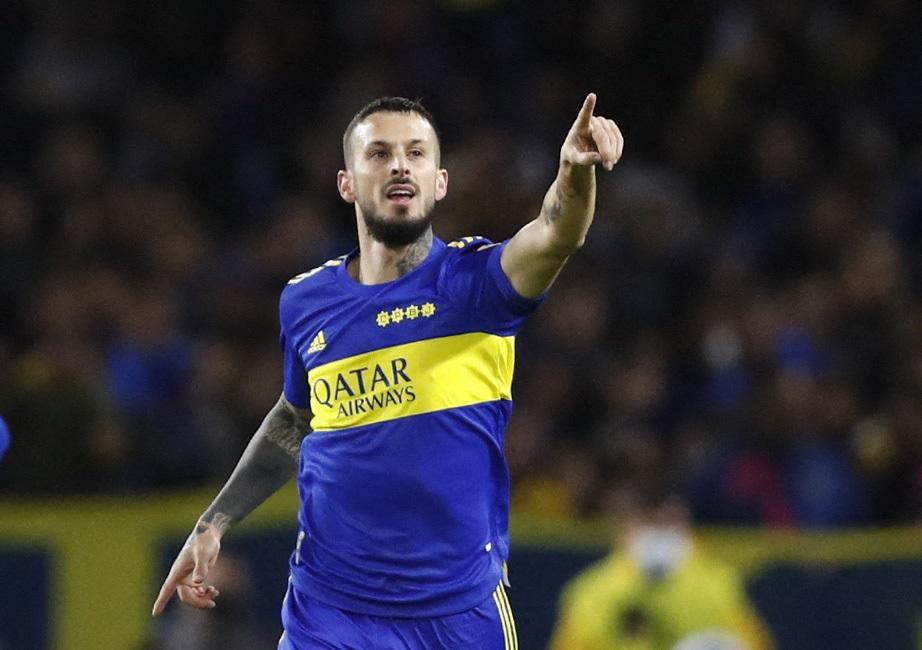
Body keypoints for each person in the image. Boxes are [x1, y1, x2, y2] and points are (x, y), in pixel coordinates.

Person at [152, 93, 623, 649]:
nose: (400, 164)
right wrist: (213, 524)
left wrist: (573, 172)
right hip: (330, 611)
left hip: (457, 613)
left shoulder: (477, 286)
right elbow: (295, 420)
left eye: (416, 153)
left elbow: (556, 232)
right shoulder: (305, 303)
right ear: (347, 183)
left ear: (439, 181)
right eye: (379, 153)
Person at [549, 482, 774, 650]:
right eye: (651, 521)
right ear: (627, 525)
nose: (660, 532)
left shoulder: (719, 584)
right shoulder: (590, 593)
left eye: (669, 521)